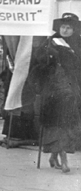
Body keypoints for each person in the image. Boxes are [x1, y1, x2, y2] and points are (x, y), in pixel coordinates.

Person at [30, 13, 81, 173]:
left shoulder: (78, 44)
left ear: (74, 29)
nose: (65, 30)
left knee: (67, 123)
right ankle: (63, 159)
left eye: (69, 27)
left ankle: (54, 155)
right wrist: (47, 59)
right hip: (53, 90)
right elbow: (37, 63)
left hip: (72, 89)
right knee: (56, 123)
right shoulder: (50, 42)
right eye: (63, 27)